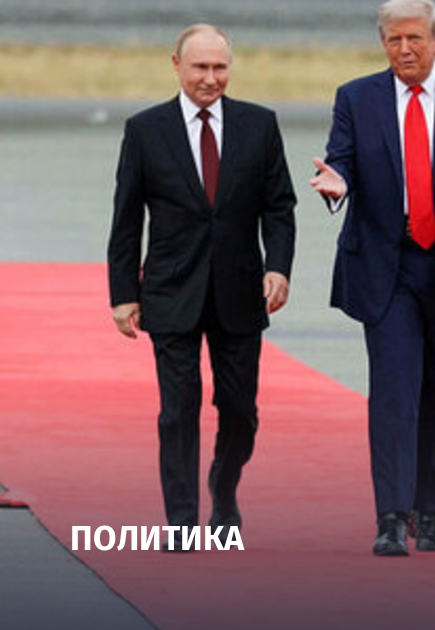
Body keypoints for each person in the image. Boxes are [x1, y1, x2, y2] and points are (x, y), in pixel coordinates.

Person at [309, 0, 435, 556]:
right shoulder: (357, 98)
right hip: (387, 263)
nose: (404, 49)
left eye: (415, 38)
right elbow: (340, 160)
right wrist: (337, 185)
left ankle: (430, 510)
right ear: (383, 43)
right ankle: (392, 517)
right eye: (394, 39)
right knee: (393, 389)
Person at [107, 23, 296, 550]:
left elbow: (279, 207)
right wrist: (123, 294)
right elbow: (127, 219)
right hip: (171, 290)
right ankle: (183, 522)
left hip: (241, 291)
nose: (211, 78)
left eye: (220, 68)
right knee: (178, 410)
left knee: (240, 411)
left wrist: (278, 266)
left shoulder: (260, 125)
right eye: (200, 68)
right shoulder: (145, 130)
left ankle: (224, 485)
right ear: (176, 66)